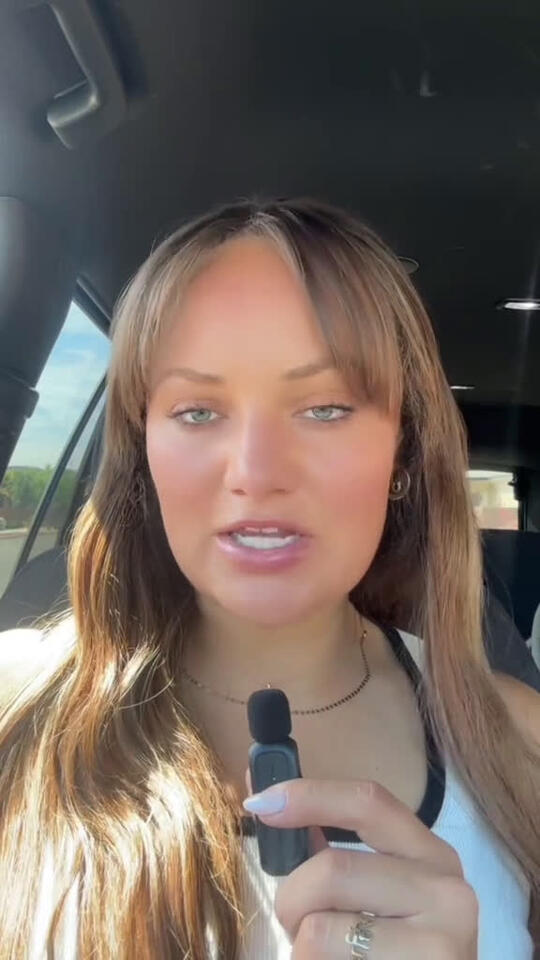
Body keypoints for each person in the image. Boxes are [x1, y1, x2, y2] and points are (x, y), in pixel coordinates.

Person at [0, 197, 538, 959]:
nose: (256, 473)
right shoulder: (14, 708)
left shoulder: (519, 742)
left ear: (404, 453)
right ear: (142, 452)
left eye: (325, 409)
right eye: (197, 411)